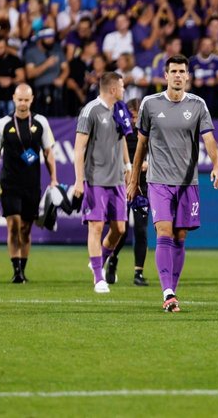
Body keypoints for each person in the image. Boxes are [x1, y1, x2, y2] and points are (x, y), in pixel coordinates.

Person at [127, 55, 218, 312]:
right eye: (174, 71)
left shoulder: (198, 105)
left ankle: (172, 288)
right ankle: (167, 292)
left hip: (187, 183)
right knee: (164, 231)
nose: (179, 75)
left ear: (188, 76)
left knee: (180, 236)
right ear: (166, 75)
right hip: (158, 180)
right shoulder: (150, 104)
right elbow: (141, 146)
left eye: (182, 71)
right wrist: (134, 178)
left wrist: (216, 165)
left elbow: (209, 140)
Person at [0, 84, 58, 283]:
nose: (23, 103)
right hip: (9, 183)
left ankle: (22, 270)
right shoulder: (3, 123)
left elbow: (49, 153)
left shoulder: (41, 122)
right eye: (19, 99)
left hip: (32, 184)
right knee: (13, 225)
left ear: (32, 99)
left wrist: (53, 179)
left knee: (26, 229)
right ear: (13, 99)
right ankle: (16, 271)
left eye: (26, 100)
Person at [73, 72, 129, 294]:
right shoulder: (90, 111)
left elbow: (123, 136)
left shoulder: (120, 109)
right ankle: (98, 278)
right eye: (122, 87)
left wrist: (129, 166)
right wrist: (79, 180)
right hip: (95, 179)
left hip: (117, 180)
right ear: (113, 89)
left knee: (119, 229)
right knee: (96, 227)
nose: (124, 90)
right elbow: (79, 148)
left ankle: (99, 259)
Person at [109, 98, 149, 286]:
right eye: (131, 116)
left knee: (141, 229)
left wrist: (146, 164)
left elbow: (156, 153)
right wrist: (128, 168)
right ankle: (112, 260)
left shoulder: (149, 129)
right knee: (121, 230)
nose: (134, 121)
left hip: (142, 183)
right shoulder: (121, 131)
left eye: (137, 116)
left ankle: (138, 273)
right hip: (122, 182)